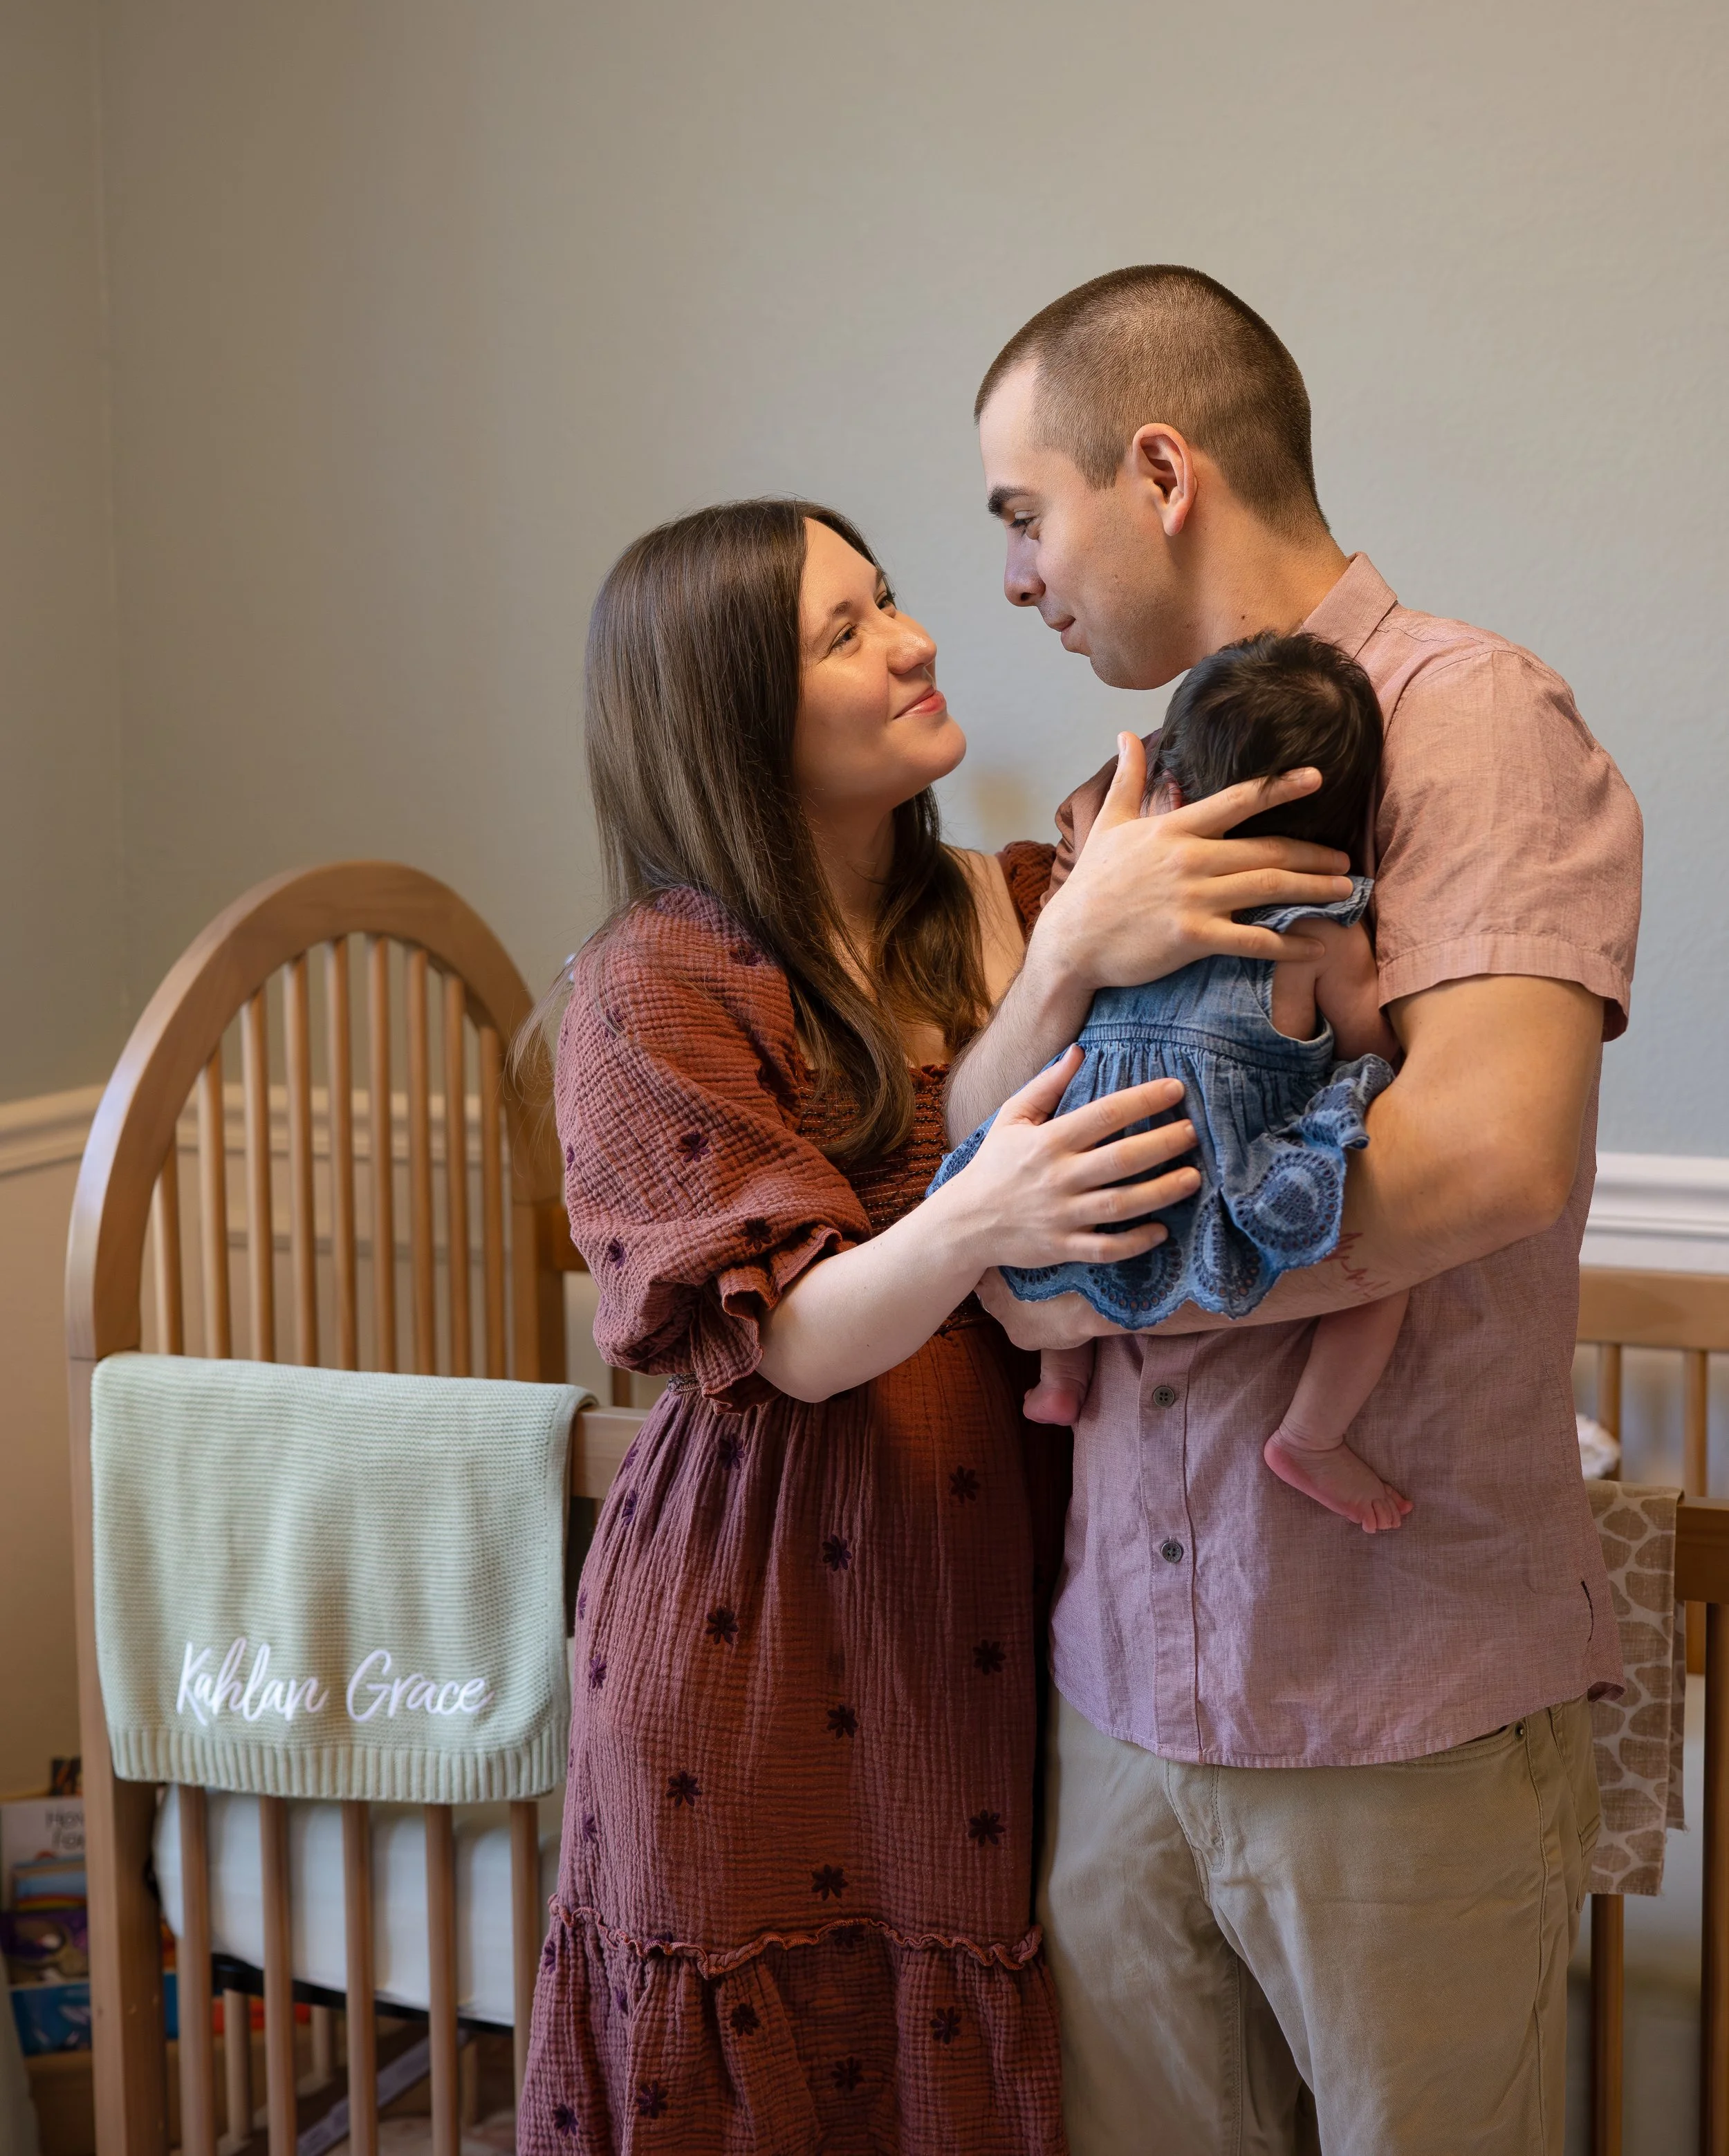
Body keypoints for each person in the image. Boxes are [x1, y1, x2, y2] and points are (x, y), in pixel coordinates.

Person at [516, 496, 1345, 2154]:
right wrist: (979, 1214)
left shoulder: (1018, 894)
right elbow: (792, 1341)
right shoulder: (655, 984)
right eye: (845, 633)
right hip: (762, 1618)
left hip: (994, 1597)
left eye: (887, 599)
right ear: (730, 718)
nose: (914, 642)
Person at [944, 266, 1641, 2156]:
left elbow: (1490, 1152)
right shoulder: (1122, 801)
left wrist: (1083, 1289)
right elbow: (985, 1158)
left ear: (1159, 471)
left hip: (1388, 1700)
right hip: (1121, 1693)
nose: (1010, 576)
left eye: (1024, 512)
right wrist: (1055, 965)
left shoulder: (1468, 720)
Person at [936, 629, 1412, 1537]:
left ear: (1173, 793)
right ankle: (1311, 1435)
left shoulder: (1113, 908)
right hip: (1217, 1189)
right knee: (1387, 1274)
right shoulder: (1321, 932)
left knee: (1055, 1243)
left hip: (1086, 1185)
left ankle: (1061, 1375)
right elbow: (1377, 1046)